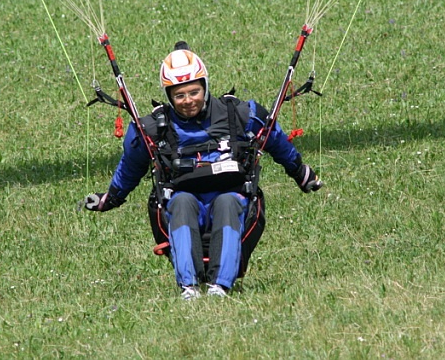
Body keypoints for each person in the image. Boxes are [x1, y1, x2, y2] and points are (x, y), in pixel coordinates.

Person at [83, 42, 322, 300]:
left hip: (232, 195)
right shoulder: (153, 129)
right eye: (179, 95)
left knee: (227, 203)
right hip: (183, 198)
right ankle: (189, 287)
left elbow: (275, 140)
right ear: (169, 96)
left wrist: (300, 173)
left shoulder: (240, 115)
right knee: (182, 203)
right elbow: (131, 166)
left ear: (205, 86)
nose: (188, 101)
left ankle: (221, 286)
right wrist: (111, 197)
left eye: (194, 92)